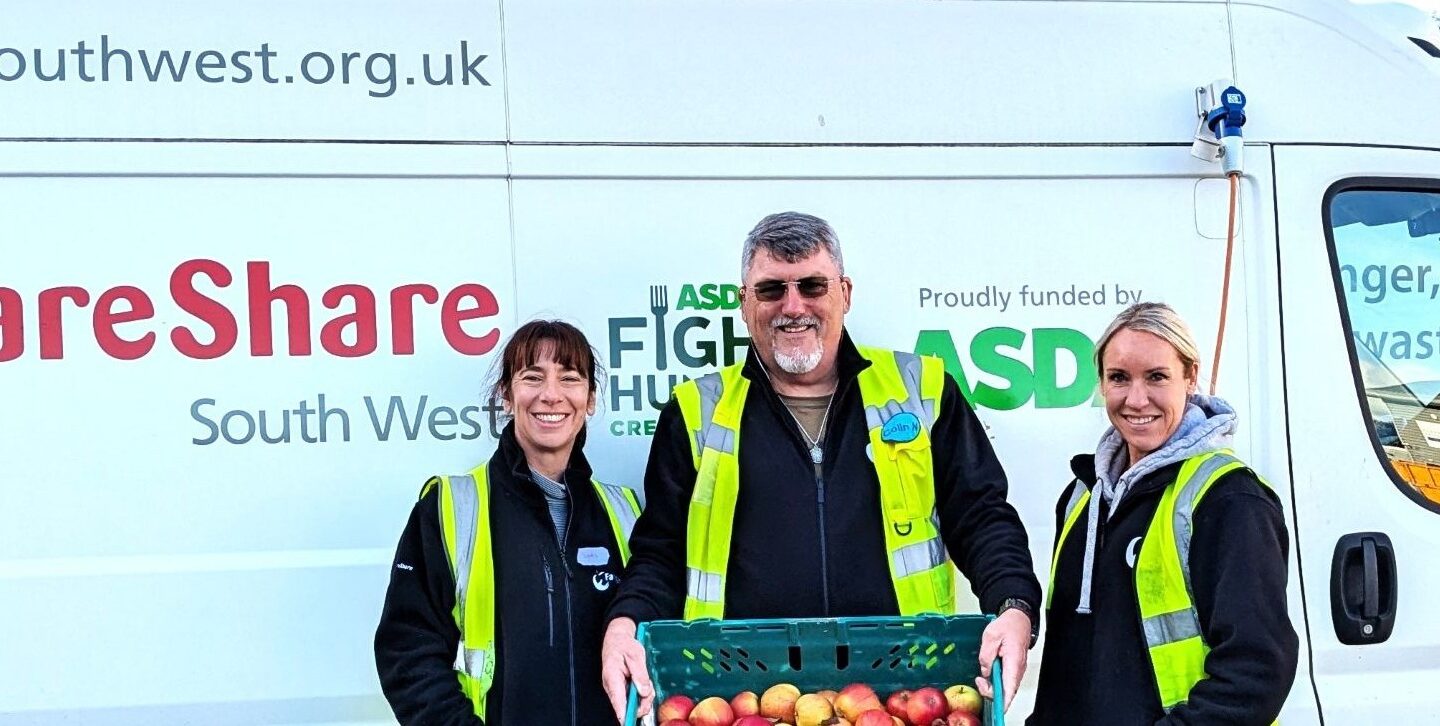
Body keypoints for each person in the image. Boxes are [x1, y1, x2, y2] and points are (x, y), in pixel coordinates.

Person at [600, 212, 1042, 721]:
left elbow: (982, 516)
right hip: (741, 698)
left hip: (903, 692)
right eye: (771, 290)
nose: (794, 306)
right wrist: (624, 624)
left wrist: (1015, 606)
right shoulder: (695, 410)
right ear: (744, 303)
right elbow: (660, 551)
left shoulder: (922, 388)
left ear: (845, 294)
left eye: (812, 285)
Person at [1029, 302, 1298, 725]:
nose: (1137, 400)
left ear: (1190, 376)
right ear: (1101, 384)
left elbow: (1257, 671)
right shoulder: (1083, 496)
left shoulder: (1229, 501)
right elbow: (1068, 661)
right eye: (1119, 378)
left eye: (1156, 377)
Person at [374, 320, 643, 725]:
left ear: (589, 399)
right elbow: (408, 650)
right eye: (532, 377)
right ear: (506, 394)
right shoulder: (450, 506)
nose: (551, 395)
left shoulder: (624, 510)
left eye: (569, 378)